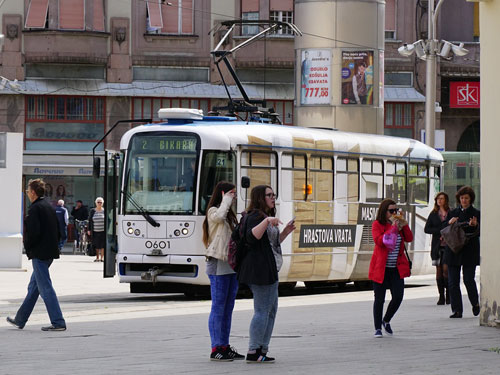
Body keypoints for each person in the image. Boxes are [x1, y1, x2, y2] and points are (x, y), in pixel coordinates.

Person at [237, 185, 295, 363]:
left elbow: (272, 243)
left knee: (270, 311)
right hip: (260, 270)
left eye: (274, 195)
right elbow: (251, 237)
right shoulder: (256, 216)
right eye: (269, 195)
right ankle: (254, 350)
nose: (273, 198)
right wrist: (267, 221)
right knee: (262, 310)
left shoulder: (263, 217)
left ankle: (262, 349)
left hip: (269, 269)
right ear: (260, 198)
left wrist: (285, 231)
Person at [6, 178, 66, 331]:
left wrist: (28, 247)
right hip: (50, 252)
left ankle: (58, 322)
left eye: (27, 191)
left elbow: (33, 233)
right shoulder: (48, 206)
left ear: (32, 192)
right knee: (34, 287)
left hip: (40, 253)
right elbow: (59, 230)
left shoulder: (35, 208)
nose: (27, 193)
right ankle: (20, 319)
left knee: (45, 287)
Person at [202, 181, 244, 362]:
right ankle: (215, 348)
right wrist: (225, 200)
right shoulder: (213, 212)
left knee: (228, 308)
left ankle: (225, 346)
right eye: (231, 194)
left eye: (234, 195)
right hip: (217, 264)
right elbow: (219, 216)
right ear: (222, 194)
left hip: (231, 266)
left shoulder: (230, 216)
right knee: (218, 307)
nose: (234, 197)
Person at [369, 198, 413, 338]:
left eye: (396, 210)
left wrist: (403, 224)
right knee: (379, 299)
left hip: (396, 268)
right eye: (391, 211)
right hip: (381, 268)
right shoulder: (377, 224)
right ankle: (377, 328)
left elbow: (409, 238)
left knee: (398, 297)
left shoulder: (399, 225)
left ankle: (386, 320)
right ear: (384, 211)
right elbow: (381, 241)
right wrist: (393, 227)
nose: (394, 213)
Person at [445, 186, 480, 319]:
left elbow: (479, 231)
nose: (464, 200)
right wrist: (449, 222)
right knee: (453, 282)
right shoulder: (453, 212)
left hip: (469, 251)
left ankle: (475, 303)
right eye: (461, 198)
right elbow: (443, 228)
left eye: (466, 198)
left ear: (470, 199)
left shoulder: (476, 213)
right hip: (453, 250)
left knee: (468, 279)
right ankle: (457, 310)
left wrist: (475, 226)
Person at [424, 192, 451, 305]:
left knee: (446, 270)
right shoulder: (434, 214)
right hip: (437, 247)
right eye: (438, 199)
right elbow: (427, 229)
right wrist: (439, 230)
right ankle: (441, 296)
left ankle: (449, 295)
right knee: (439, 272)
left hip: (449, 246)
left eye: (442, 198)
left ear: (446, 200)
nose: (439, 201)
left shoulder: (451, 212)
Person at [88, 197, 106, 262]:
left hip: (103, 231)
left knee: (102, 245)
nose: (99, 203)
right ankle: (97, 257)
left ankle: (102, 258)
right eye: (98, 202)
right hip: (95, 231)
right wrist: (89, 230)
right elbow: (90, 220)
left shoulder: (104, 211)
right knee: (96, 245)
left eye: (100, 202)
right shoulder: (92, 211)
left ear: (102, 203)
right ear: (96, 203)